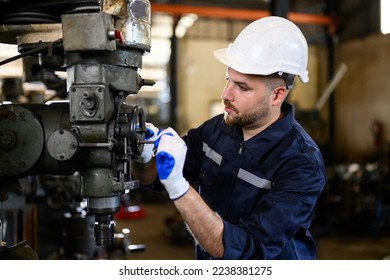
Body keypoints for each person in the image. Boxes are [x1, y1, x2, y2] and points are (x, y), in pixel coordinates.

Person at [132, 16, 326, 260]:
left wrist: (180, 188)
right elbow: (154, 178)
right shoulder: (217, 129)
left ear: (277, 95)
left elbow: (243, 251)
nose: (226, 94)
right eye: (228, 80)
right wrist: (144, 155)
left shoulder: (302, 164)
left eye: (242, 87)